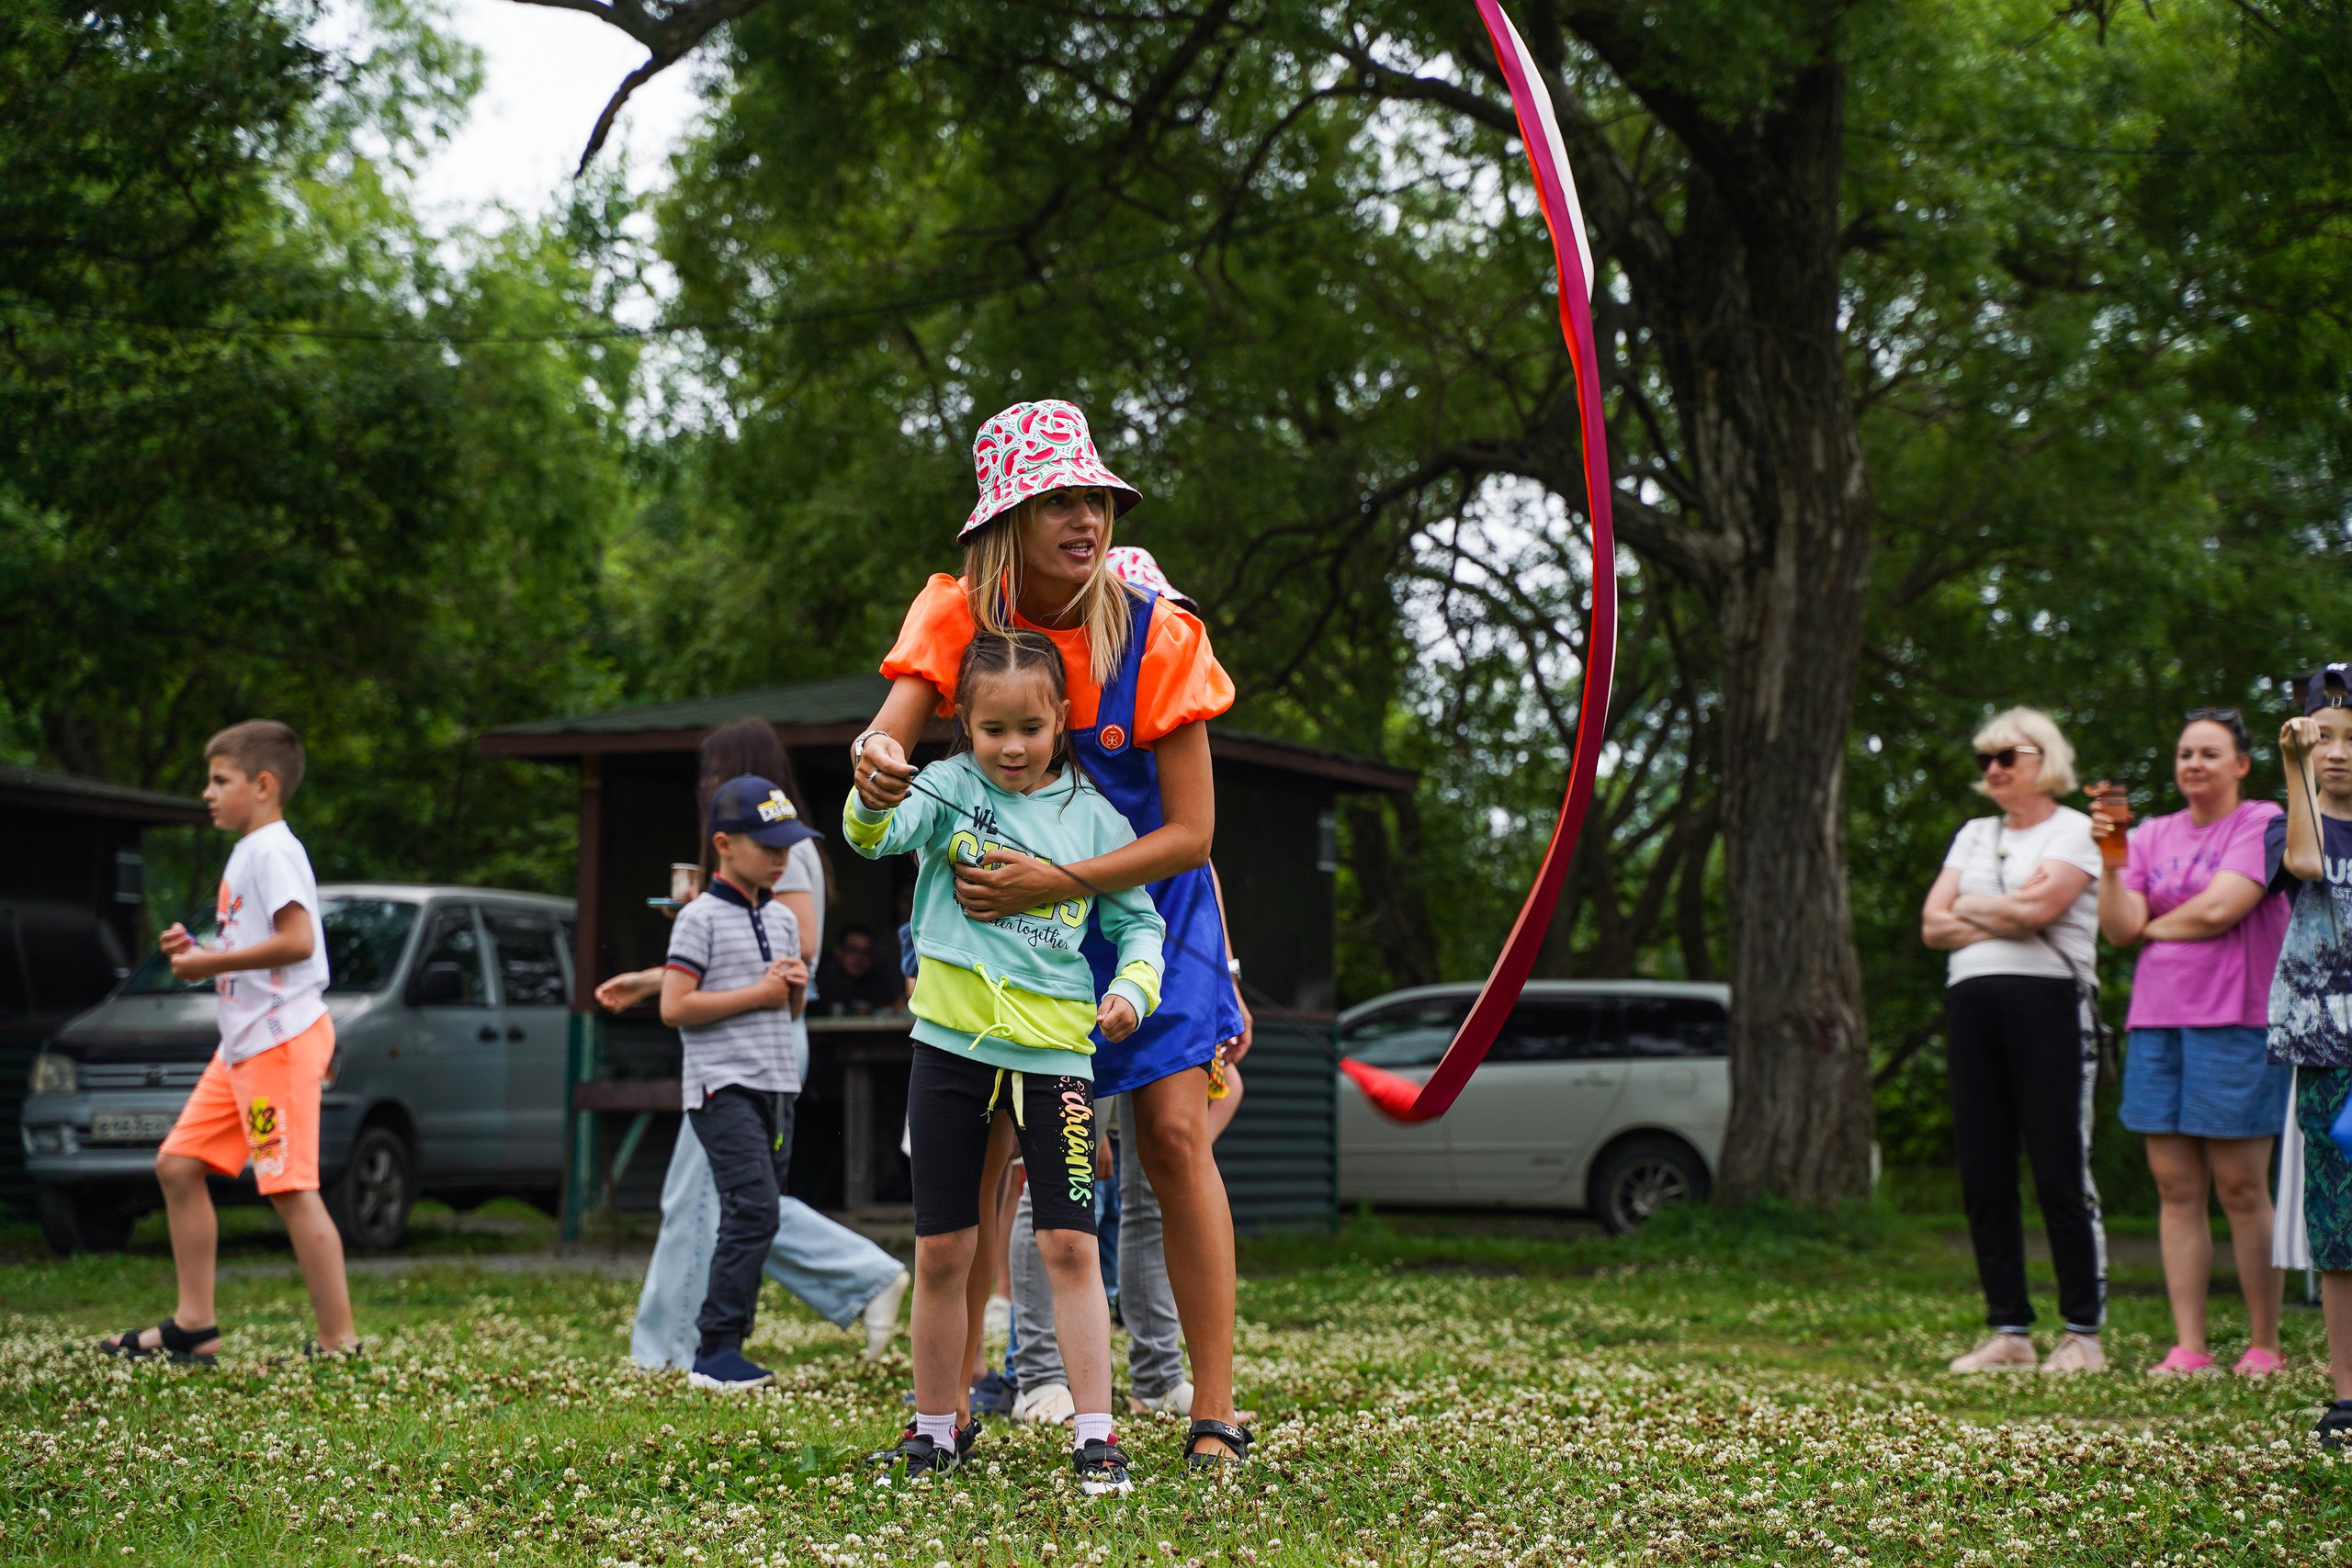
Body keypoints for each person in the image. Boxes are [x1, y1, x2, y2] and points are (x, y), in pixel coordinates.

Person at [853, 399, 1254, 1467]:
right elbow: (887, 755)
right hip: (999, 931)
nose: (1086, 517)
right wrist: (877, 762)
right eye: (1057, 500)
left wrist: (1058, 879)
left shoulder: (1158, 629)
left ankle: (1211, 1410)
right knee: (989, 1163)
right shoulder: (954, 618)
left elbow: (1191, 834)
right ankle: (962, 1398)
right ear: (1007, 521)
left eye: (1096, 498)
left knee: (1172, 1137)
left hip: (1141, 910)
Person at [845, 630, 1164, 1494]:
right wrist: (874, 788)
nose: (1012, 747)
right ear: (962, 722)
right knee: (945, 1251)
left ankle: (1096, 1437)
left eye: (1030, 726)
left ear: (1062, 718)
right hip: (945, 1052)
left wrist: (1132, 990)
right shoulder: (946, 790)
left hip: (1057, 1057)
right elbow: (874, 836)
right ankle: (935, 1429)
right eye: (992, 730)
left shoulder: (1095, 817)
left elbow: (1139, 924)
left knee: (1069, 1241)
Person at [602, 720, 909, 1370]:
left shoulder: (780, 847)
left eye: (715, 773)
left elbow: (790, 951)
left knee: (704, 1199)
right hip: (751, 1037)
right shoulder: (766, 860)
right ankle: (861, 1276)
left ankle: (671, 1352)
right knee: (741, 1198)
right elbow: (746, 952)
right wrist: (681, 946)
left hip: (753, 1044)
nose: (707, 786)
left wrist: (691, 943)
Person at [105, 721, 356, 1363]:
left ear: (264, 785)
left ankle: (339, 1344)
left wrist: (206, 965)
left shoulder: (274, 849)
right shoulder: (248, 850)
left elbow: (300, 941)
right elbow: (257, 951)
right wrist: (202, 953)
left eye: (221, 780)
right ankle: (195, 1324)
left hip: (279, 1044)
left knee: (290, 1187)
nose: (207, 793)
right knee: (179, 1164)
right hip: (242, 1045)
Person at [2093, 707, 2289, 1377]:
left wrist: (2155, 924)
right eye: (2184, 753)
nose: (2193, 764)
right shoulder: (2148, 834)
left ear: (2240, 763)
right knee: (2175, 1186)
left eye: (2209, 752)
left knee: (2239, 1185)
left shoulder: (2262, 820)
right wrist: (2113, 860)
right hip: (2158, 1021)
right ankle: (2190, 1346)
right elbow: (2120, 927)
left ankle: (2264, 1343)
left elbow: (2220, 908)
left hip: (2237, 1019)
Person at [1921, 707, 2109, 1374]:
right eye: (1986, 760)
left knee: (2059, 1165)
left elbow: (2039, 912)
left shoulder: (2077, 829)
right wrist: (2003, 914)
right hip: (1972, 1008)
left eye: (2008, 756)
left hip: (2051, 1005)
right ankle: (2009, 1329)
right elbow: (1932, 926)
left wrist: (1975, 910)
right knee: (1984, 1167)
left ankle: (2082, 1331)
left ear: (2044, 758)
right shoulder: (1974, 834)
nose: (1994, 770)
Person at [659, 773, 815, 1393]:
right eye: (768, 846)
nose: (781, 857)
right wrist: (762, 991)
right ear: (724, 844)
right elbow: (675, 1005)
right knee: (751, 1207)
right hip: (722, 1086)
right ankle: (715, 1349)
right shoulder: (697, 919)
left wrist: (793, 989)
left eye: (787, 847)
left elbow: (788, 1011)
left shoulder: (780, 920)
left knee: (763, 1213)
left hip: (777, 1084)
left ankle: (729, 1347)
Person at [2267, 665, 2352, 1447]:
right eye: (2324, 738)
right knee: (2339, 1228)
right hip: (2328, 1047)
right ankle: (2346, 1394)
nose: (2338, 752)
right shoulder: (2291, 819)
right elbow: (2306, 863)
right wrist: (2295, 770)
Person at [812, 924, 905, 1015]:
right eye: (853, 950)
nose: (859, 958)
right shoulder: (819, 983)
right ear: (838, 951)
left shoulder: (877, 984)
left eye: (866, 952)